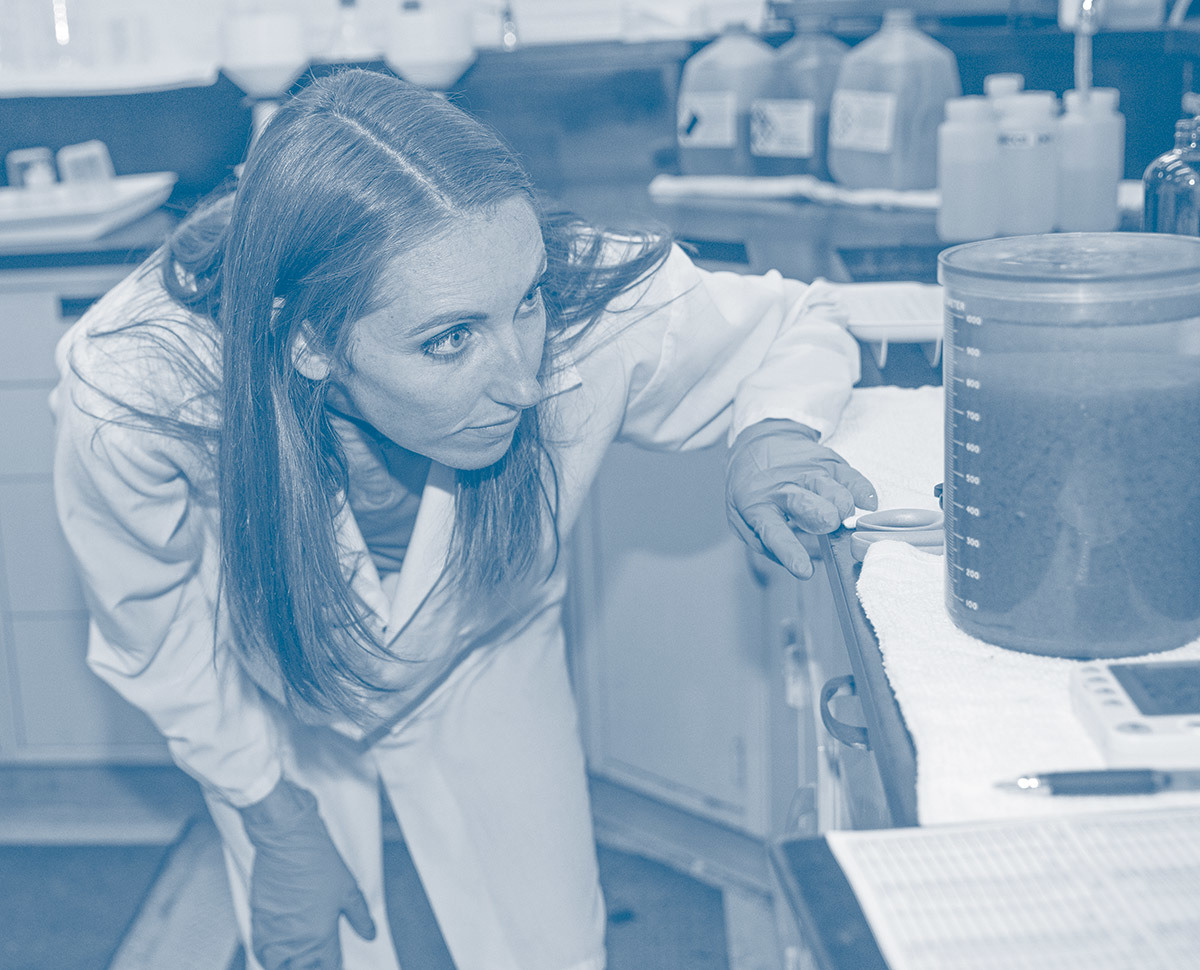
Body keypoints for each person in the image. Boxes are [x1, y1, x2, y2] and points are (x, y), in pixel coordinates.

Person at [51, 68, 876, 970]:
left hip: (488, 646)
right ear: (310, 342)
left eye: (525, 303)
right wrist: (269, 811)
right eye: (450, 339)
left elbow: (802, 319)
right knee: (315, 954)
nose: (522, 382)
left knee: (549, 947)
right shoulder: (140, 389)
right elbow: (154, 620)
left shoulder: (576, 293)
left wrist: (773, 435)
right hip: (273, 682)